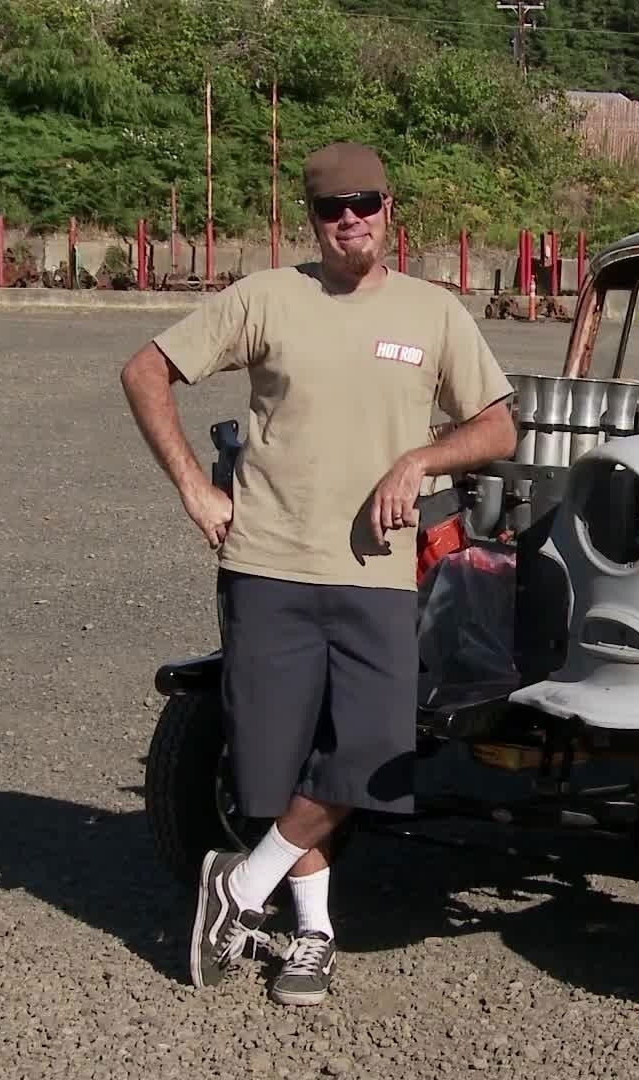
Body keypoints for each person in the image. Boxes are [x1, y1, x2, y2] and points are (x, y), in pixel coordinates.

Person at [120, 141, 516, 1006]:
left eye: (365, 203)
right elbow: (145, 369)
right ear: (313, 219)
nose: (351, 221)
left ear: (388, 208)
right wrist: (195, 488)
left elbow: (496, 429)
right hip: (266, 566)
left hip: (376, 577)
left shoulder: (434, 312)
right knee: (274, 765)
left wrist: (421, 458)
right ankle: (313, 936)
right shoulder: (267, 297)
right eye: (333, 209)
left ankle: (241, 888)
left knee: (372, 753)